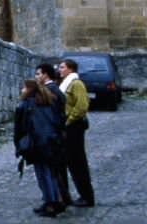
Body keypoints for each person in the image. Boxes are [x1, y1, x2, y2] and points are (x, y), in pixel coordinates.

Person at [14, 79, 65, 217]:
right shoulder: (49, 102)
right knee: (50, 172)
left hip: (37, 143)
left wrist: (19, 146)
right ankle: (55, 199)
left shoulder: (25, 105)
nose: (22, 90)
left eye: (23, 88)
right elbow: (59, 120)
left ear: (29, 89)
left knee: (43, 173)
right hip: (52, 141)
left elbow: (19, 129)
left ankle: (50, 203)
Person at [58, 58, 95, 207]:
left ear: (70, 69)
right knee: (69, 162)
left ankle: (86, 196)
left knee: (78, 162)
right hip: (68, 126)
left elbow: (81, 106)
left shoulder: (76, 84)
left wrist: (69, 120)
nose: (59, 70)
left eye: (62, 67)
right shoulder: (65, 84)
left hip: (74, 126)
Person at [34, 63, 71, 209]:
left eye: (38, 74)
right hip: (54, 134)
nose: (36, 77)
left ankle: (56, 200)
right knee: (55, 170)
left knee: (53, 170)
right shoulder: (52, 90)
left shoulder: (51, 91)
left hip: (51, 135)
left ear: (45, 75)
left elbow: (53, 115)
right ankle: (58, 199)